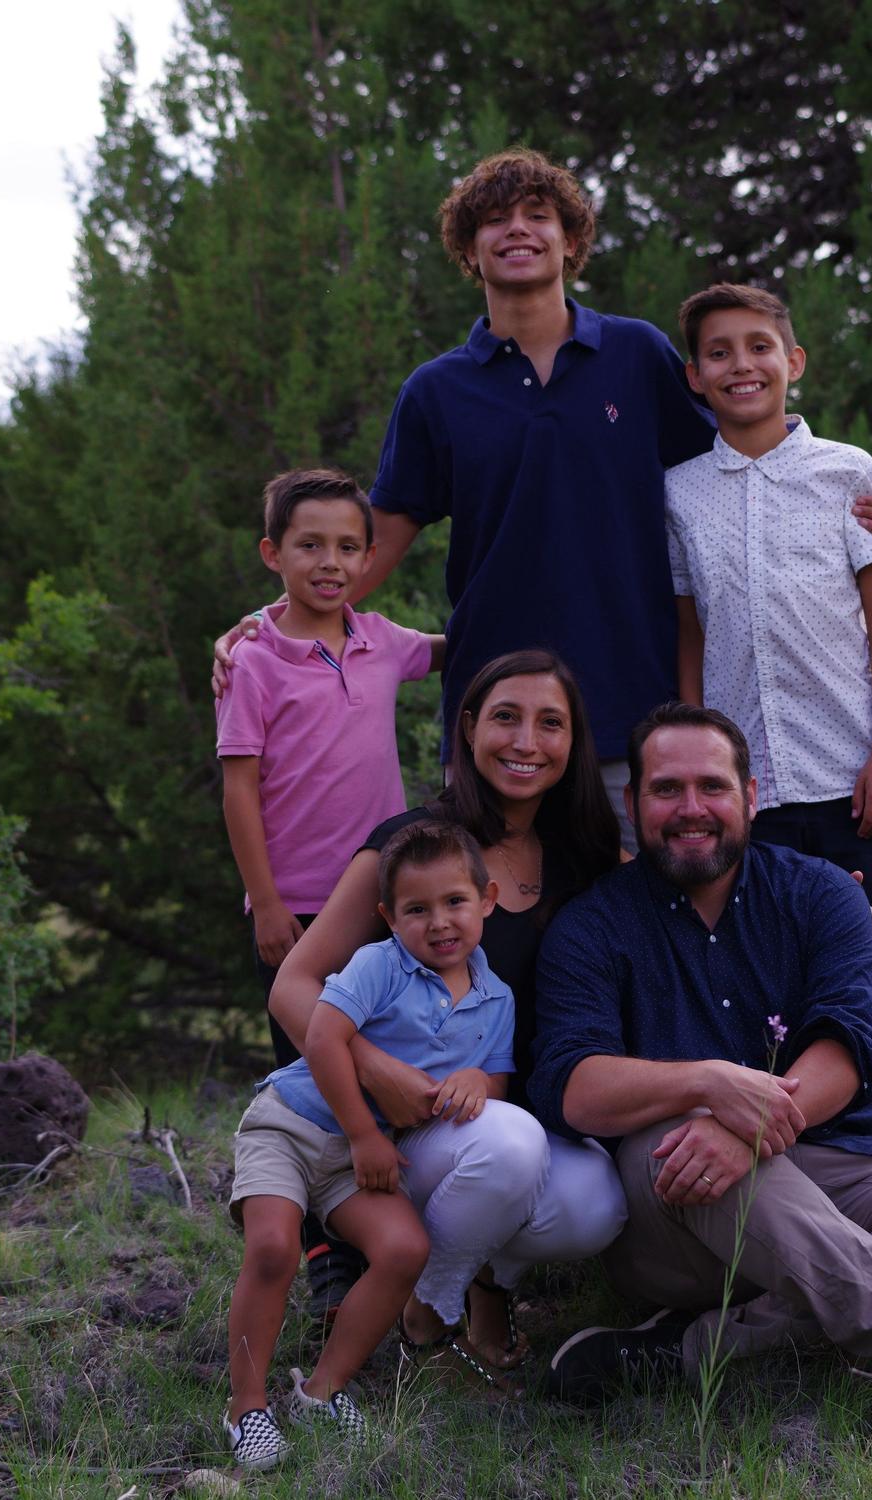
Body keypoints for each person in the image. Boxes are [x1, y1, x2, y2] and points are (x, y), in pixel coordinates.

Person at [212, 148, 872, 847]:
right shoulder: (435, 391)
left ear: (570, 240)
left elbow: (742, 458)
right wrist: (276, 624)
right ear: (469, 249)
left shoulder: (636, 356)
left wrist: (849, 494)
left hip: (638, 710)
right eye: (494, 220)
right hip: (496, 722)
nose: (517, 229)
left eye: (537, 215)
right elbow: (377, 537)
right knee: (499, 930)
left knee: (651, 934)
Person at [531, 704, 872, 1434]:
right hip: (669, 1201)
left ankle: (689, 1347)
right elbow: (573, 1083)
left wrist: (748, 1131)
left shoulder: (824, 895)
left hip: (814, 1164)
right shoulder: (590, 925)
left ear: (751, 797)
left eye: (712, 787)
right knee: (694, 1137)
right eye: (666, 790)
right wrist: (707, 1087)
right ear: (633, 805)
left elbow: (852, 1046)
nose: (692, 809)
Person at [268, 649, 627, 1377]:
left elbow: (694, 890)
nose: (526, 742)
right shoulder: (412, 848)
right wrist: (373, 1066)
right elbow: (291, 986)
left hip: (507, 1112)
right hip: (404, 1128)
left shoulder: (586, 857)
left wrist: (824, 896)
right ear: (467, 728)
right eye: (505, 718)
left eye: (549, 723)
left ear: (573, 742)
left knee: (596, 1205)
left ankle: (487, 1278)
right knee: (510, 1149)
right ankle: (425, 1306)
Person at [665, 282, 872, 1144]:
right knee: (773, 984)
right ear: (695, 376)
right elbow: (692, 632)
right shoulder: (681, 494)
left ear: (793, 362)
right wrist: (705, 774)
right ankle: (801, 1163)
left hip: (854, 778)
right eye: (718, 352)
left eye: (758, 346)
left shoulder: (847, 473)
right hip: (755, 796)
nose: (741, 364)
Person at [224, 819, 511, 1468]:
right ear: (387, 916)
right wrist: (361, 1134)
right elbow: (324, 1038)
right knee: (273, 1247)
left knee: (404, 1248)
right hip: (296, 1125)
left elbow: (498, 1075)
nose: (438, 923)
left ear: (487, 900)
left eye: (455, 903)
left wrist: (476, 1079)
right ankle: (247, 1409)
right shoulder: (379, 964)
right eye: (416, 909)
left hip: (361, 1156)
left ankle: (322, 1391)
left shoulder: (497, 999)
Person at [215, 467, 444, 1059]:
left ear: (369, 558)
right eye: (309, 545)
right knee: (310, 1065)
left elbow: (456, 649)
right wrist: (264, 903)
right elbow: (238, 791)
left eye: (347, 548)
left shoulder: (383, 641)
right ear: (273, 553)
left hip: (382, 892)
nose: (329, 563)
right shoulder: (251, 662)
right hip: (295, 905)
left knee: (388, 1051)